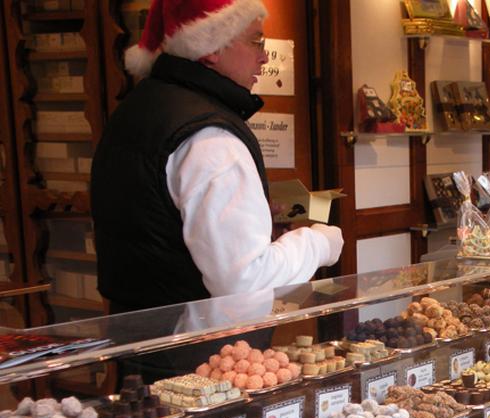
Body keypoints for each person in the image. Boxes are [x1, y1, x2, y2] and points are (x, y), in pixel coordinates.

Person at [90, 0, 344, 314]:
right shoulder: (210, 137)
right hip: (194, 349)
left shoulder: (138, 107)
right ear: (211, 46)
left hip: (141, 336)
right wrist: (319, 243)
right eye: (256, 41)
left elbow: (160, 230)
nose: (264, 57)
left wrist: (255, 235)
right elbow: (244, 280)